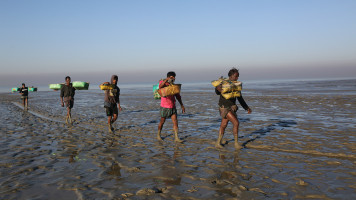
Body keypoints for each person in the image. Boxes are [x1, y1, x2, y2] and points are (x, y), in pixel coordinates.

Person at [215, 68, 252, 149]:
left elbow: (240, 98)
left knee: (223, 125)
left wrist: (246, 108)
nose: (237, 78)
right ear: (231, 76)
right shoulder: (224, 83)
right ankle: (236, 144)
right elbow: (217, 91)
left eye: (238, 76)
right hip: (224, 108)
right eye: (235, 76)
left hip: (232, 108)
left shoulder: (236, 85)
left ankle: (218, 143)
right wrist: (217, 88)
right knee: (236, 123)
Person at [157, 71, 185, 142]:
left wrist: (182, 105)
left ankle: (176, 137)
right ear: (168, 77)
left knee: (175, 122)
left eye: (174, 77)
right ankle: (158, 135)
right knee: (162, 122)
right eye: (172, 77)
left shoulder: (174, 86)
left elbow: (178, 96)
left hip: (173, 106)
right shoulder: (163, 83)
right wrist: (166, 80)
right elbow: (160, 87)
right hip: (164, 106)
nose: (173, 79)